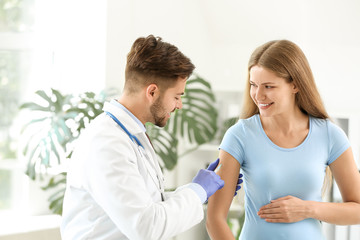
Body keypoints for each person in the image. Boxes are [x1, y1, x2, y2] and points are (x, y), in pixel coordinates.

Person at [60, 35, 242, 240]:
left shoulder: (130, 134)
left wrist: (200, 192)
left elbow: (149, 205)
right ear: (152, 92)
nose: (179, 105)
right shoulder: (106, 143)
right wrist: (198, 190)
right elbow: (146, 227)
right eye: (176, 96)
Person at [206, 40, 360, 240]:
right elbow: (214, 219)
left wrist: (307, 208)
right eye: (253, 85)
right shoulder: (239, 135)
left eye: (268, 86)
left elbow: (357, 209)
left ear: (295, 84)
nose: (258, 95)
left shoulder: (330, 135)